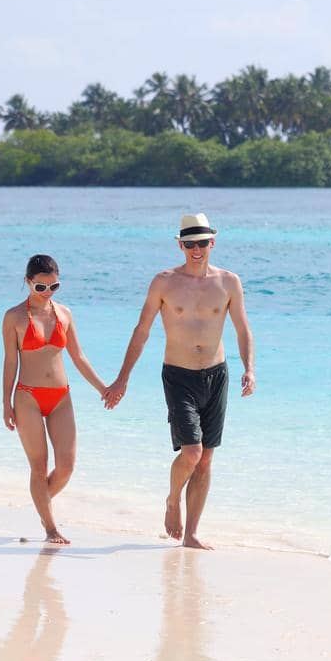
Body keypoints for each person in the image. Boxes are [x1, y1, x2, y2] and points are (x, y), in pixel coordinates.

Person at [104, 214, 255, 550]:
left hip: (217, 374)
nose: (196, 249)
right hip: (178, 375)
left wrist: (249, 368)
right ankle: (173, 501)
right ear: (180, 245)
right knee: (192, 452)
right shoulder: (164, 282)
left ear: (212, 243)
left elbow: (242, 328)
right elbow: (141, 331)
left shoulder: (229, 282)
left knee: (206, 459)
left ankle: (191, 534)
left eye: (202, 243)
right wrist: (122, 379)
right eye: (189, 244)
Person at [2, 254, 109, 544]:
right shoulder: (14, 317)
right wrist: (6, 403)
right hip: (28, 397)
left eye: (54, 286)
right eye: (40, 287)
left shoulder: (65, 314)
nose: (47, 293)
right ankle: (50, 528)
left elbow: (79, 357)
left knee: (66, 466)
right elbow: (10, 361)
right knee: (39, 465)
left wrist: (103, 388)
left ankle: (41, 501)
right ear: (28, 282)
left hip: (61, 397)